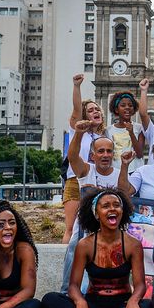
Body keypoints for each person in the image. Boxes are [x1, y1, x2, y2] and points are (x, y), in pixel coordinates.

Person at [42, 188, 154, 308]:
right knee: (50, 300)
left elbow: (140, 284)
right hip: (92, 304)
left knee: (150, 307)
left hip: (121, 305)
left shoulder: (133, 244)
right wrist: (81, 304)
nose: (112, 209)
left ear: (123, 211)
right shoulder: (85, 245)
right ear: (96, 214)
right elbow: (73, 286)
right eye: (106, 206)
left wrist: (134, 301)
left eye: (116, 205)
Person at [60, 120, 121, 293]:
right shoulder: (86, 171)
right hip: (85, 230)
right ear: (92, 155)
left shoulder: (119, 175)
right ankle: (67, 294)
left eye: (109, 151)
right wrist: (78, 133)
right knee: (74, 248)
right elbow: (72, 157)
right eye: (100, 151)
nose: (105, 155)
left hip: (111, 232)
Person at [62, 74, 107, 243]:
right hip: (75, 181)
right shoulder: (78, 130)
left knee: (94, 226)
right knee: (71, 227)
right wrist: (77, 86)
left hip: (96, 182)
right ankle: (65, 263)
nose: (95, 111)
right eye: (90, 110)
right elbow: (75, 109)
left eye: (97, 109)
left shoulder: (103, 137)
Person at [106, 91, 145, 173]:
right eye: (123, 105)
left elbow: (140, 154)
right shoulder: (108, 131)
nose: (127, 107)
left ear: (134, 109)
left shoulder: (139, 128)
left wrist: (131, 133)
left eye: (130, 105)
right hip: (117, 172)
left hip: (136, 172)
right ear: (116, 109)